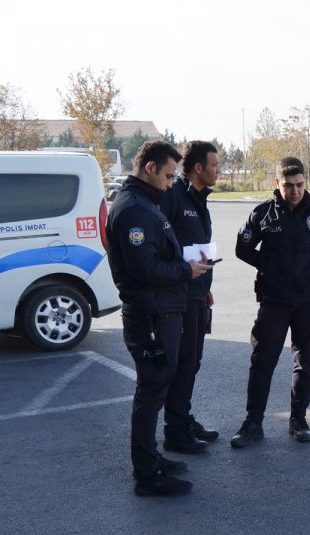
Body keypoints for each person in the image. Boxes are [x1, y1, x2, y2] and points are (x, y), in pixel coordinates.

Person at [107, 140, 213, 497]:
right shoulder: (134, 209)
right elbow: (144, 269)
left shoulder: (144, 203)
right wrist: (187, 270)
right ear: (150, 168)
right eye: (168, 175)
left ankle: (152, 459)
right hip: (150, 317)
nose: (171, 183)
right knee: (150, 393)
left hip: (161, 313)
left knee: (157, 387)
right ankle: (147, 476)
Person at [230, 157, 310, 447]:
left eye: (299, 185)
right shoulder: (263, 214)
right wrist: (268, 266)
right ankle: (253, 423)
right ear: (277, 184)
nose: (295, 191)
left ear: (305, 183)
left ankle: (298, 420)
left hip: (309, 299)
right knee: (262, 362)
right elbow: (242, 248)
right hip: (274, 300)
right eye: (288, 186)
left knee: (304, 361)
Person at [159, 140, 220, 454]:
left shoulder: (199, 198)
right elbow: (162, 244)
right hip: (178, 298)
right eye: (214, 164)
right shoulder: (174, 197)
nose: (218, 170)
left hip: (197, 295)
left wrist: (205, 287)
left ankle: (182, 418)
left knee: (191, 363)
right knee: (182, 364)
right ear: (198, 168)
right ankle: (175, 432)